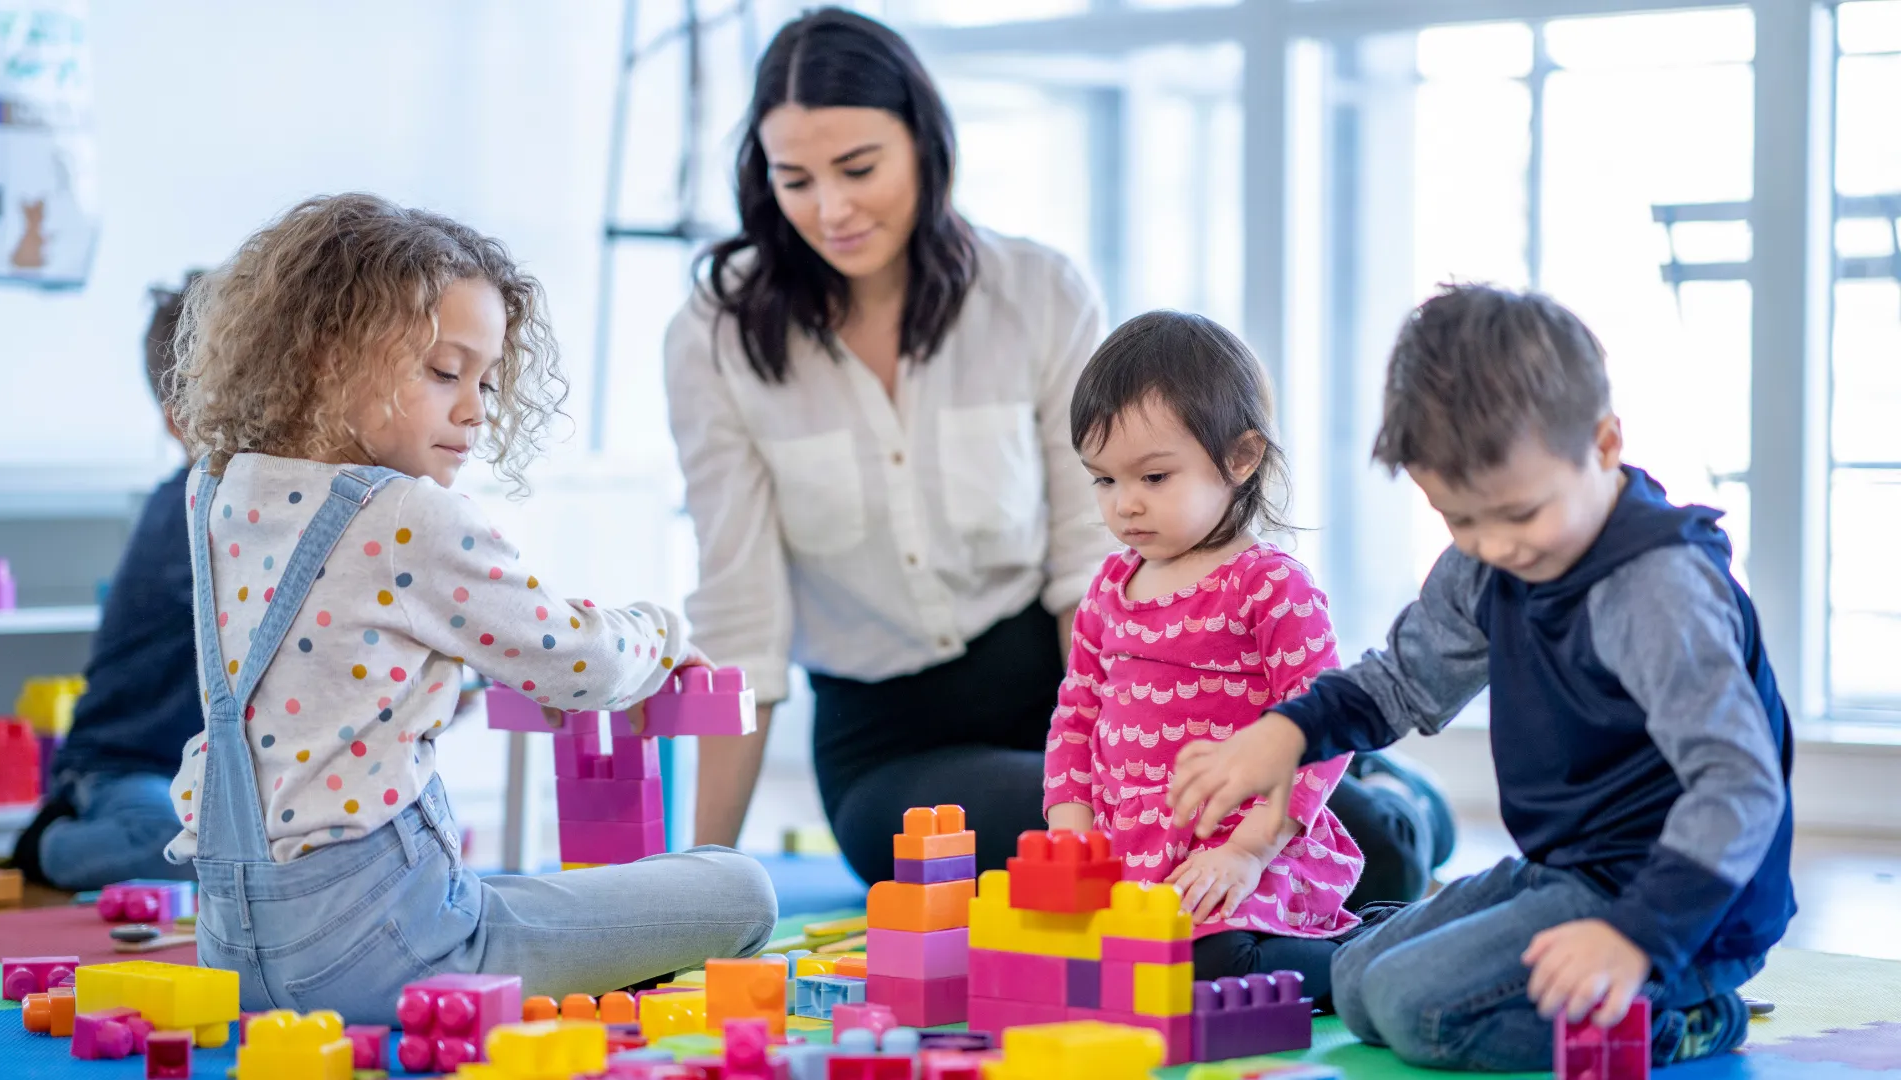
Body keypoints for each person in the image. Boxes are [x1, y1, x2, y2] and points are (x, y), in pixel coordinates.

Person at [666, 6, 1454, 898]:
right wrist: (704, 884)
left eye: (858, 168)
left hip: (1088, 687)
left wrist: (1133, 759)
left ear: (927, 146)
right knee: (1114, 868)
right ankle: (1381, 801)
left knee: (1338, 839)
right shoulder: (715, 336)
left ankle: (1384, 793)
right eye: (794, 180)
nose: (831, 209)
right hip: (897, 748)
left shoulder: (1034, 292)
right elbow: (741, 619)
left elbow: (1096, 556)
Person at [163, 193, 775, 1024]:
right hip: (390, 956)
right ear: (324, 357)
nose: (476, 409)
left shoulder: (217, 491)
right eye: (445, 372)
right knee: (740, 887)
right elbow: (577, 662)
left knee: (523, 892)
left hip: (232, 953)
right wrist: (662, 636)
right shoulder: (406, 513)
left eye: (486, 380)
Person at [1169, 284, 1793, 1069]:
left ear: (1603, 446)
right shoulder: (1488, 561)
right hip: (1567, 871)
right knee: (1359, 984)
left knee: (1416, 1014)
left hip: (1680, 907)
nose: (1494, 545)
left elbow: (1739, 786)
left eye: (1520, 515)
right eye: (1460, 519)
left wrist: (1637, 937)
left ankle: (1690, 1016)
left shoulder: (1654, 589)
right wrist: (1285, 733)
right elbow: (1401, 681)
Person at [1045, 311, 1361, 998]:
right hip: (1137, 862)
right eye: (1102, 481)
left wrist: (1248, 850)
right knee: (1075, 968)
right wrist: (1069, 833)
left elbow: (1324, 730)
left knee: (1210, 967)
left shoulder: (1269, 586)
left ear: (1241, 458)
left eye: (1154, 478)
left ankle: (1373, 956)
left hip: (1249, 853)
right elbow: (1076, 717)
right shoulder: (1107, 588)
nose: (1124, 505)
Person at [11, 276, 206, 890]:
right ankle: (47, 846)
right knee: (174, 848)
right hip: (124, 770)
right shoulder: (183, 513)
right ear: (178, 423)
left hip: (202, 782)